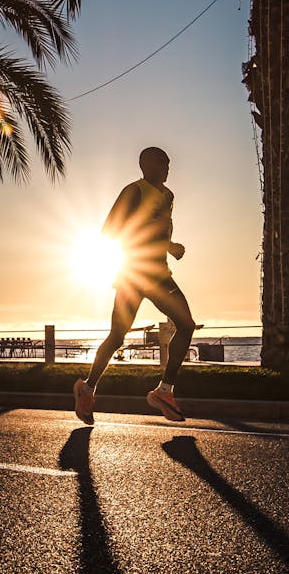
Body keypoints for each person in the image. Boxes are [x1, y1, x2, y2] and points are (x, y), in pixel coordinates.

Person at [73, 147, 196, 424]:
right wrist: (167, 245)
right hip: (133, 274)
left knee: (186, 324)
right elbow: (110, 232)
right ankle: (87, 389)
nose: (167, 167)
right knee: (117, 336)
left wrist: (165, 246)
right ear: (145, 165)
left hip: (159, 274)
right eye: (161, 163)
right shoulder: (134, 191)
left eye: (168, 163)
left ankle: (164, 391)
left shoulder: (168, 196)